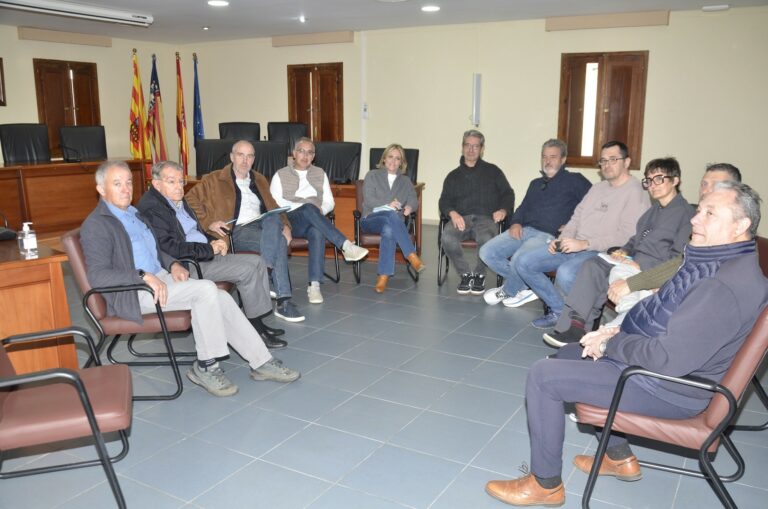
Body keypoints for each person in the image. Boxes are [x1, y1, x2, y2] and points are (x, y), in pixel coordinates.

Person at [485, 181, 767, 507]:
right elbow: (664, 316)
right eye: (699, 209)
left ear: (740, 225)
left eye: (709, 213)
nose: (694, 218)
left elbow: (666, 359)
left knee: (543, 377)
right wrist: (612, 333)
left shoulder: (721, 287)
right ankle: (618, 457)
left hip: (669, 387)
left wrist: (611, 345)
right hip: (662, 368)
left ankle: (545, 484)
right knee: (568, 353)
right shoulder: (716, 262)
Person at [80, 161, 301, 398]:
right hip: (135, 292)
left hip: (161, 279)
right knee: (205, 290)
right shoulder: (96, 224)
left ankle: (261, 361)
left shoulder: (132, 213)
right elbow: (98, 276)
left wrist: (172, 264)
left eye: (128, 182)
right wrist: (142, 275)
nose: (126, 189)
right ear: (101, 189)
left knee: (221, 297)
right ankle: (206, 366)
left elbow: (156, 250)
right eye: (117, 184)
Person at [543, 157, 694, 348]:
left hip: (649, 271)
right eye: (649, 180)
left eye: (659, 179)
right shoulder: (653, 211)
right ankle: (575, 328)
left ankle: (601, 338)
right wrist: (623, 251)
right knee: (593, 265)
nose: (652, 185)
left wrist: (640, 266)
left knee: (598, 273)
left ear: (675, 180)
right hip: (630, 261)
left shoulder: (686, 214)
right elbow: (635, 240)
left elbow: (678, 258)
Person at [137, 160, 288, 349]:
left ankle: (257, 322)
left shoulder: (178, 201)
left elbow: (195, 230)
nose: (179, 187)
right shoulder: (153, 208)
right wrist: (209, 249)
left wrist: (212, 240)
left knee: (257, 261)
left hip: (202, 254)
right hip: (187, 264)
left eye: (181, 181)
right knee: (247, 270)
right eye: (171, 182)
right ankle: (256, 330)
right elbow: (169, 247)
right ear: (157, 184)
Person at [514, 141, 650, 329]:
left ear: (626, 162)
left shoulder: (635, 192)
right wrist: (562, 239)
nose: (607, 165)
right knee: (524, 262)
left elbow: (627, 237)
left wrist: (585, 244)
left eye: (613, 159)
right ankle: (560, 311)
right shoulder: (598, 188)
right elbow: (576, 217)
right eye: (603, 161)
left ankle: (582, 319)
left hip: (603, 253)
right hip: (576, 245)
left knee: (566, 273)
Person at [185, 140, 304, 323]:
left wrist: (286, 225)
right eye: (240, 155)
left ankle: (267, 270)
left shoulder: (259, 179)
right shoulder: (214, 178)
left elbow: (273, 206)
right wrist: (209, 222)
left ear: (253, 159)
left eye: (249, 156)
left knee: (273, 219)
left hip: (263, 226)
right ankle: (284, 301)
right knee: (279, 241)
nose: (245, 160)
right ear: (232, 157)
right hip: (236, 230)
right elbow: (189, 198)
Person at [606, 163, 742, 309]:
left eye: (717, 185)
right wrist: (625, 253)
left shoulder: (728, 238)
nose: (706, 190)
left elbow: (681, 262)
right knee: (613, 272)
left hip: (684, 299)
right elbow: (681, 259)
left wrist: (640, 281)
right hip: (653, 279)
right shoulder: (658, 212)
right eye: (704, 184)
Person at [479, 139, 591, 307]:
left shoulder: (575, 180)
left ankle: (509, 290)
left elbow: (592, 207)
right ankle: (530, 283)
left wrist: (573, 226)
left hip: (548, 235)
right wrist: (516, 223)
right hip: (524, 230)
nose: (547, 161)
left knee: (519, 259)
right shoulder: (535, 183)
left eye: (553, 157)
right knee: (487, 252)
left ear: (563, 159)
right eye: (544, 157)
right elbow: (523, 207)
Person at [270, 137, 370, 303]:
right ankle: (346, 246)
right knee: (309, 208)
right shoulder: (280, 174)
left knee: (316, 230)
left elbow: (330, 202)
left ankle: (314, 285)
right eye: (301, 151)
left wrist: (320, 210)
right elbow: (274, 203)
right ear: (294, 153)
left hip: (313, 218)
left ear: (314, 156)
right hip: (289, 220)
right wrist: (305, 207)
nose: (305, 156)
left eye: (310, 152)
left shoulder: (320, 173)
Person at [438, 129, 515, 295]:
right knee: (447, 237)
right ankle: (465, 274)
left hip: (486, 218)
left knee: (486, 239)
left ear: (482, 149)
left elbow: (508, 194)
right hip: (461, 218)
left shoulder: (493, 171)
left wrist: (503, 209)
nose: (471, 149)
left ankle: (480, 274)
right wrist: (452, 213)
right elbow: (444, 200)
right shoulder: (453, 176)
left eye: (475, 146)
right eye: (467, 145)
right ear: (462, 147)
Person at [359, 143, 425, 293]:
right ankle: (411, 255)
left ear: (401, 163)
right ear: (384, 159)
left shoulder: (405, 181)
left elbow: (413, 199)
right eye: (390, 157)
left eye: (397, 158)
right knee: (390, 214)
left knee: (389, 230)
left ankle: (383, 276)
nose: (393, 161)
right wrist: (388, 204)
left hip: (394, 223)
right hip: (371, 219)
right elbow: (368, 200)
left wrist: (410, 207)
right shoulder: (372, 175)